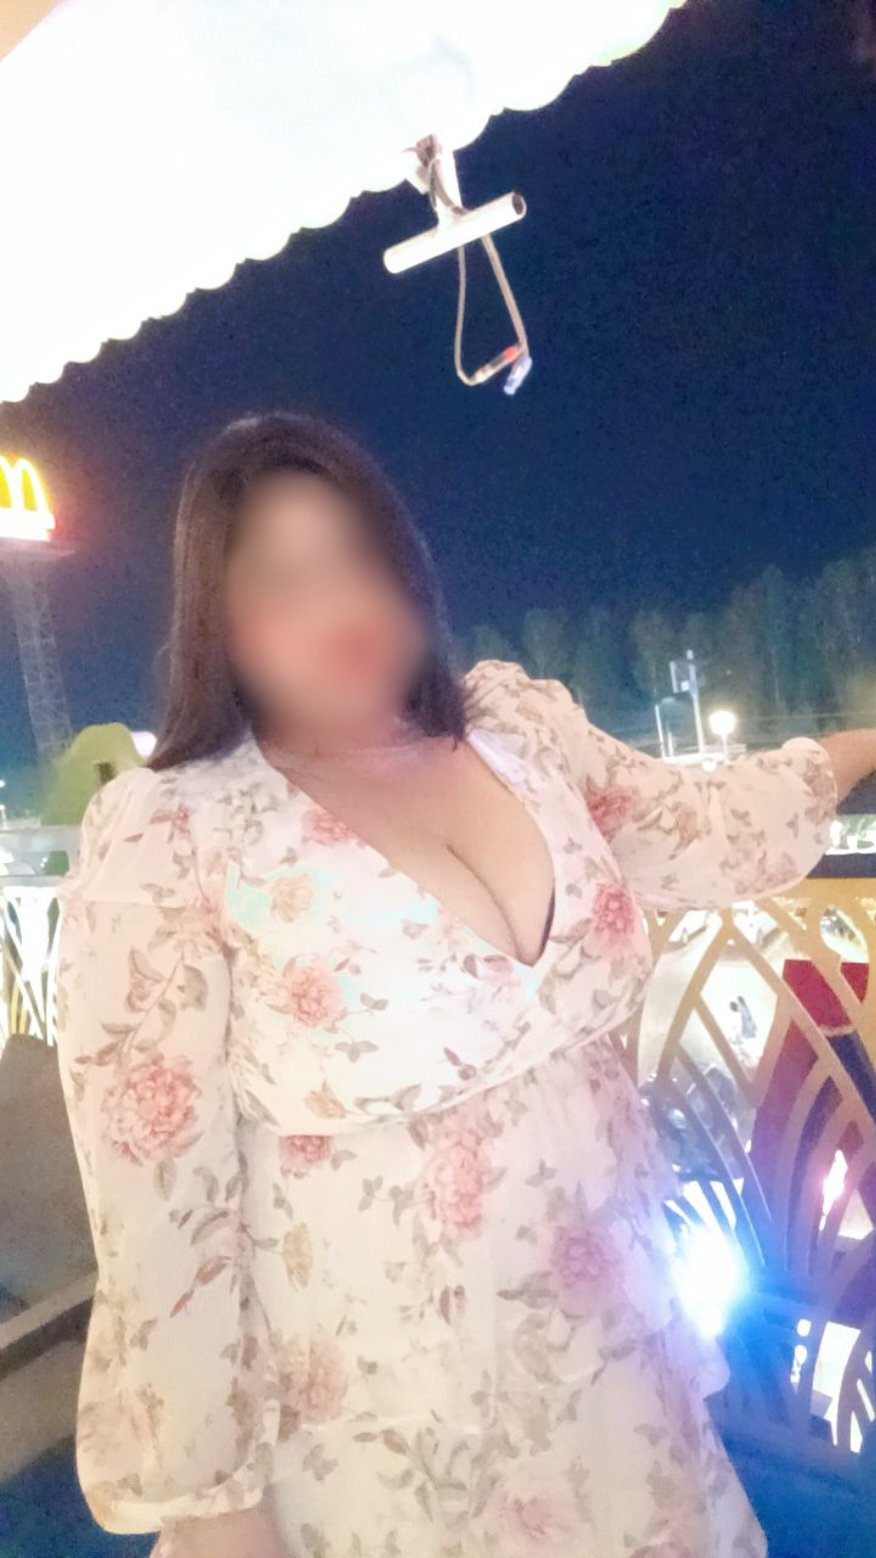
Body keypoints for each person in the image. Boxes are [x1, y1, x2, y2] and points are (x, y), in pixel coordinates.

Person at [54, 412, 872, 1558]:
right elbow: (158, 1205)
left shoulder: (516, 733)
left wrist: (861, 743)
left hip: (617, 1365)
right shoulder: (175, 834)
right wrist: (218, 1508)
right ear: (216, 623)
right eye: (281, 578)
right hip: (384, 1429)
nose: (337, 601)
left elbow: (701, 824)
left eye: (357, 554)